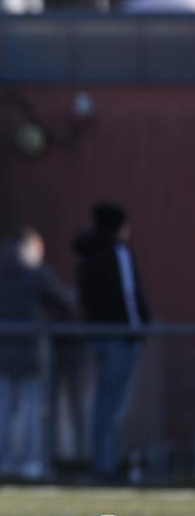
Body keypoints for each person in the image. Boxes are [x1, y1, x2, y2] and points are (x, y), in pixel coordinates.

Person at [0, 227, 72, 481]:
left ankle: (4, 461)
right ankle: (32, 461)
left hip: (3, 348)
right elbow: (62, 301)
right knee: (33, 411)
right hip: (33, 350)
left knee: (5, 409)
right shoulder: (36, 274)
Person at [73, 203, 149, 479]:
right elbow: (128, 294)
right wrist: (137, 328)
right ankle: (107, 465)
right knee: (115, 403)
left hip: (97, 336)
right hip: (120, 337)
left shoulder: (86, 253)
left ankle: (100, 462)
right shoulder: (118, 252)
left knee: (102, 402)